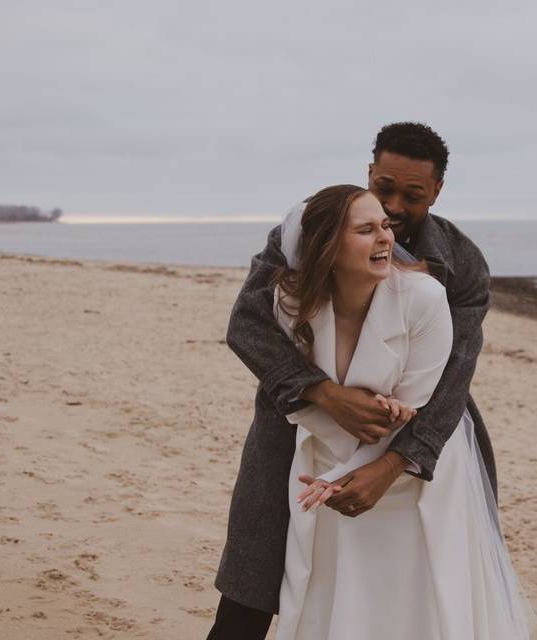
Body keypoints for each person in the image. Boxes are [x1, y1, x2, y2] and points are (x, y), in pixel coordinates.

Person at [209, 123, 499, 639]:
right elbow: (248, 322)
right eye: (383, 188)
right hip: (293, 420)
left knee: (403, 597)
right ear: (368, 173)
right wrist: (322, 393)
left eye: (412, 195)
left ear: (436, 191)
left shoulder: (462, 263)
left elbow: (455, 373)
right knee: (251, 592)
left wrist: (396, 463)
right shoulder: (310, 227)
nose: (392, 208)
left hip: (420, 428)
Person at [273, 184, 533, 638]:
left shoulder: (425, 299)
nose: (386, 238)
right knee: (335, 590)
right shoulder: (292, 303)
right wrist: (330, 478)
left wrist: (352, 475)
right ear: (328, 248)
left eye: (386, 227)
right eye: (366, 229)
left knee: (413, 598)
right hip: (324, 462)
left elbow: (410, 409)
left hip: (412, 473)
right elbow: (297, 393)